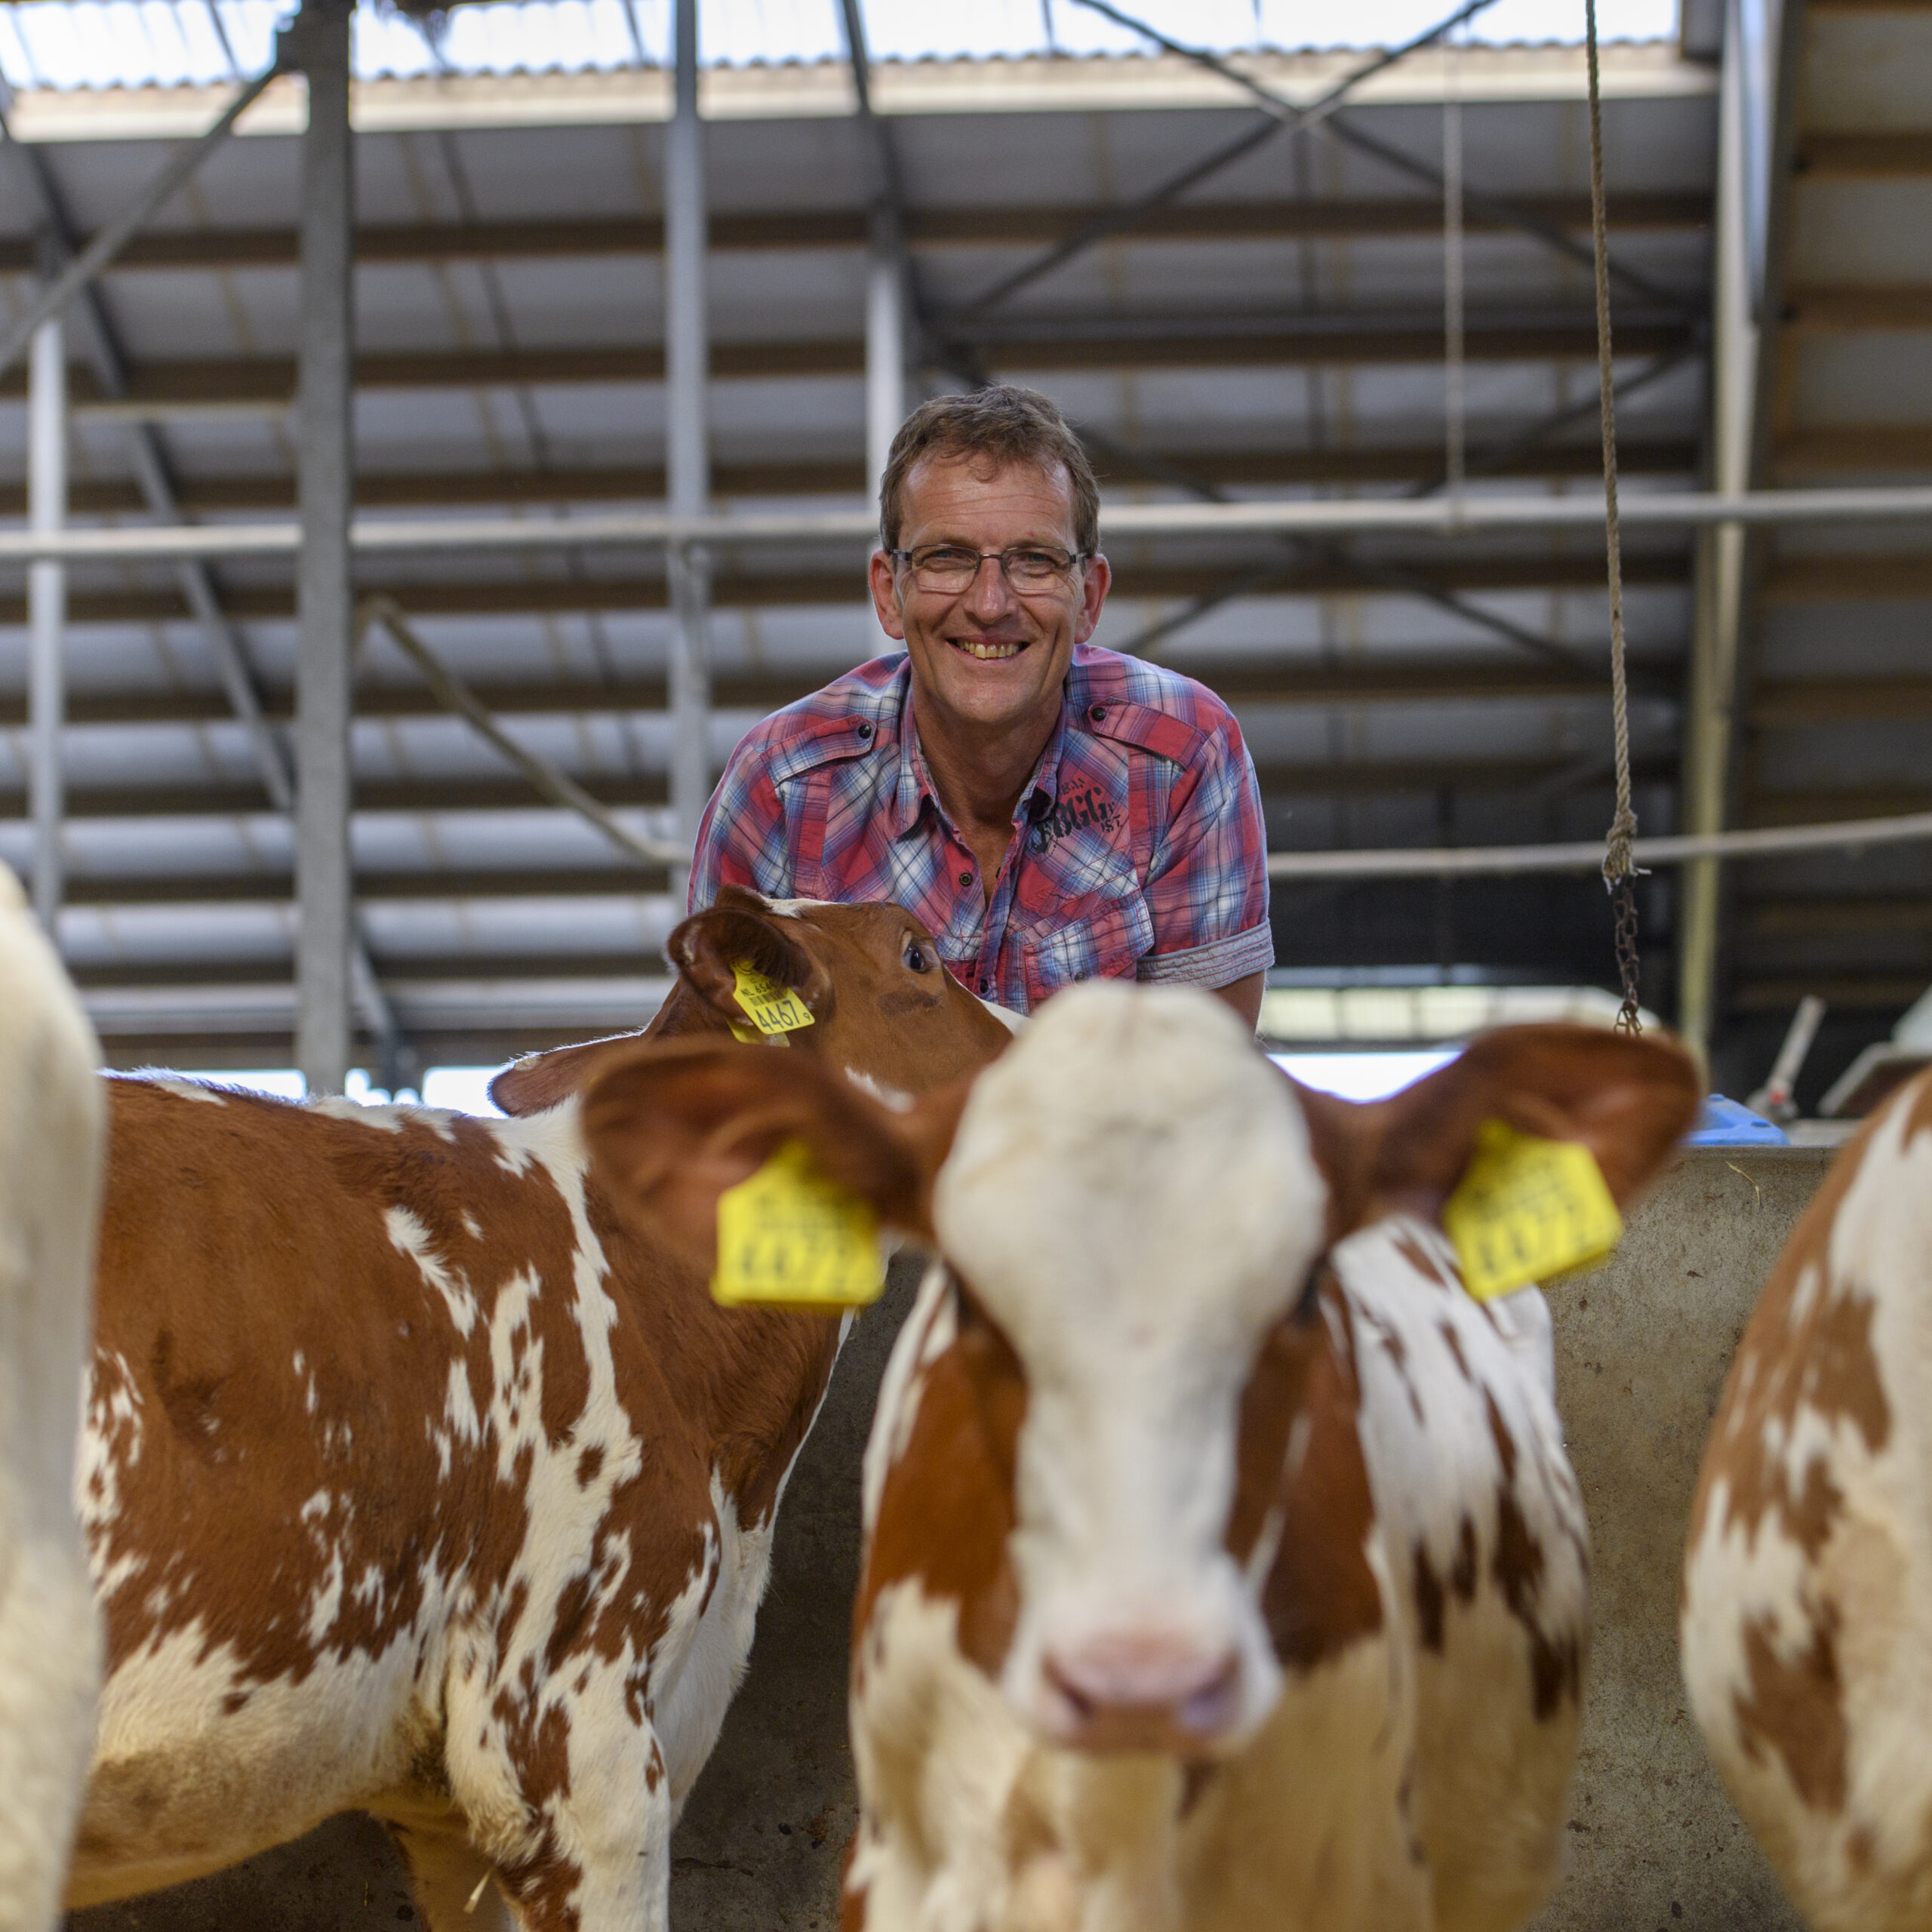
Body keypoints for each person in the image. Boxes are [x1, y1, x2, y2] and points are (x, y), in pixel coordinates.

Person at [688, 386, 1273, 1025]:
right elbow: (726, 1069)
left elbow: (1206, 1078)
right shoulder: (780, 787)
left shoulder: (1182, 754)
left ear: (1089, 598)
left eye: (1035, 561)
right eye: (948, 557)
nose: (991, 604)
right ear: (889, 593)